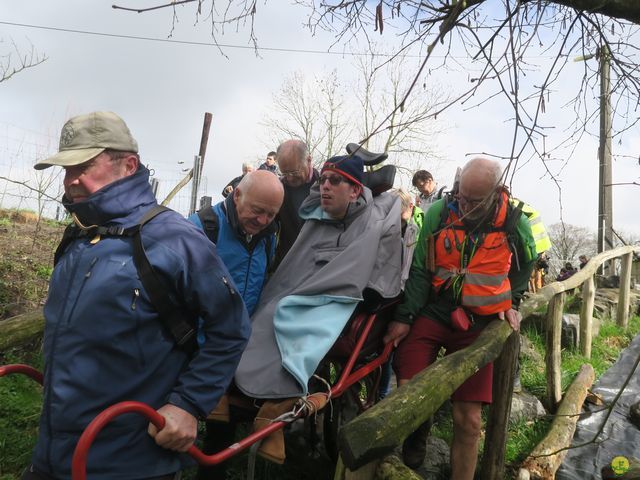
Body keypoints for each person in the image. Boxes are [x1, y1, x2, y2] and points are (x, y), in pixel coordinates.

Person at [26, 111, 251, 480]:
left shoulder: (175, 240)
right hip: (53, 458)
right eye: (66, 170)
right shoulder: (79, 239)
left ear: (128, 165)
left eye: (83, 165)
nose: (71, 180)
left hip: (130, 463)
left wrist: (188, 404)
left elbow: (231, 329)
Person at [233, 153, 402, 464]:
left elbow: (376, 266)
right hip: (303, 289)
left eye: (335, 181)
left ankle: (275, 408)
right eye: (323, 179)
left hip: (339, 297)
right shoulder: (317, 218)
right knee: (267, 307)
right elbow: (294, 266)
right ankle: (235, 392)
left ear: (354, 190)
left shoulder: (375, 219)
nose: (325, 186)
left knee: (288, 315)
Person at [384, 157, 536, 478]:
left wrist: (514, 300)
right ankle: (417, 432)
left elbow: (527, 262)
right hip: (436, 310)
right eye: (462, 195)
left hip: (479, 322)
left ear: (497, 193)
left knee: (468, 421)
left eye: (475, 200)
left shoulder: (514, 220)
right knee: (409, 396)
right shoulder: (441, 212)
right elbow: (421, 270)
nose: (465, 205)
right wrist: (405, 316)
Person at [190, 170, 283, 316]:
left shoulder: (268, 237)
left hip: (246, 334)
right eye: (257, 210)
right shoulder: (200, 229)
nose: (263, 221)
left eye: (271, 214)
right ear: (237, 195)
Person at [273, 139, 320, 267]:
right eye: (284, 173)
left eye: (294, 172)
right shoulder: (279, 188)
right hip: (286, 262)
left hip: (316, 263)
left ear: (309, 160)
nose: (289, 178)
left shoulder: (324, 187)